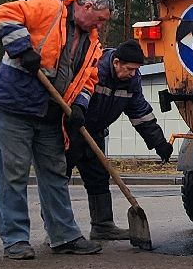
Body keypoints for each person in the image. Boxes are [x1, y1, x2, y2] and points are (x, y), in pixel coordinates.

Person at [0, 0, 113, 259]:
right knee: (13, 173)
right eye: (100, 18)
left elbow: (89, 80)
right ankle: (15, 240)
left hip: (51, 113)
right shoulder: (50, 9)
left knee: (55, 172)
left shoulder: (93, 44)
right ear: (87, 6)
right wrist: (21, 48)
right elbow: (2, 14)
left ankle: (64, 235)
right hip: (16, 103)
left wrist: (79, 105)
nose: (101, 25)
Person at [67, 39, 174, 241]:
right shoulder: (95, 68)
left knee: (98, 178)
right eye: (130, 69)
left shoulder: (131, 82)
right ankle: (57, 229)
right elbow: (78, 92)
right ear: (116, 63)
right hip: (70, 129)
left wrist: (159, 143)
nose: (134, 74)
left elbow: (141, 114)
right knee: (58, 178)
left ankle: (102, 227)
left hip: (95, 132)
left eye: (136, 70)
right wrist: (78, 111)